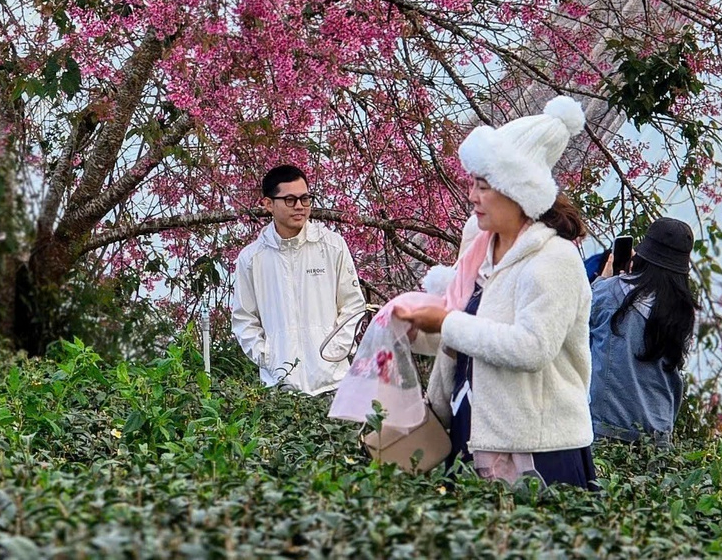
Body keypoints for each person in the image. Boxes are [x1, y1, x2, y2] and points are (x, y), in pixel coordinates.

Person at [392, 96, 597, 489]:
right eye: (472, 183)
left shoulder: (553, 260)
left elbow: (531, 347)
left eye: (483, 186)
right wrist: (417, 329)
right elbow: (470, 340)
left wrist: (447, 322)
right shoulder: (481, 252)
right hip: (471, 432)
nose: (471, 196)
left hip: (534, 449)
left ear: (517, 192)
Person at [230, 163, 368, 395]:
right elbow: (244, 319)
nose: (300, 207)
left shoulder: (332, 246)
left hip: (334, 382)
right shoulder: (252, 259)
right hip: (280, 387)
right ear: (268, 204)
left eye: (305, 199)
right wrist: (269, 358)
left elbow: (353, 306)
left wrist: (335, 351)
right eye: (290, 200)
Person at [587, 217, 698, 443]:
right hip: (658, 437)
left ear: (641, 256)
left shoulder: (608, 292)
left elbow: (578, 330)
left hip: (608, 432)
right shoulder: (683, 312)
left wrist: (604, 280)